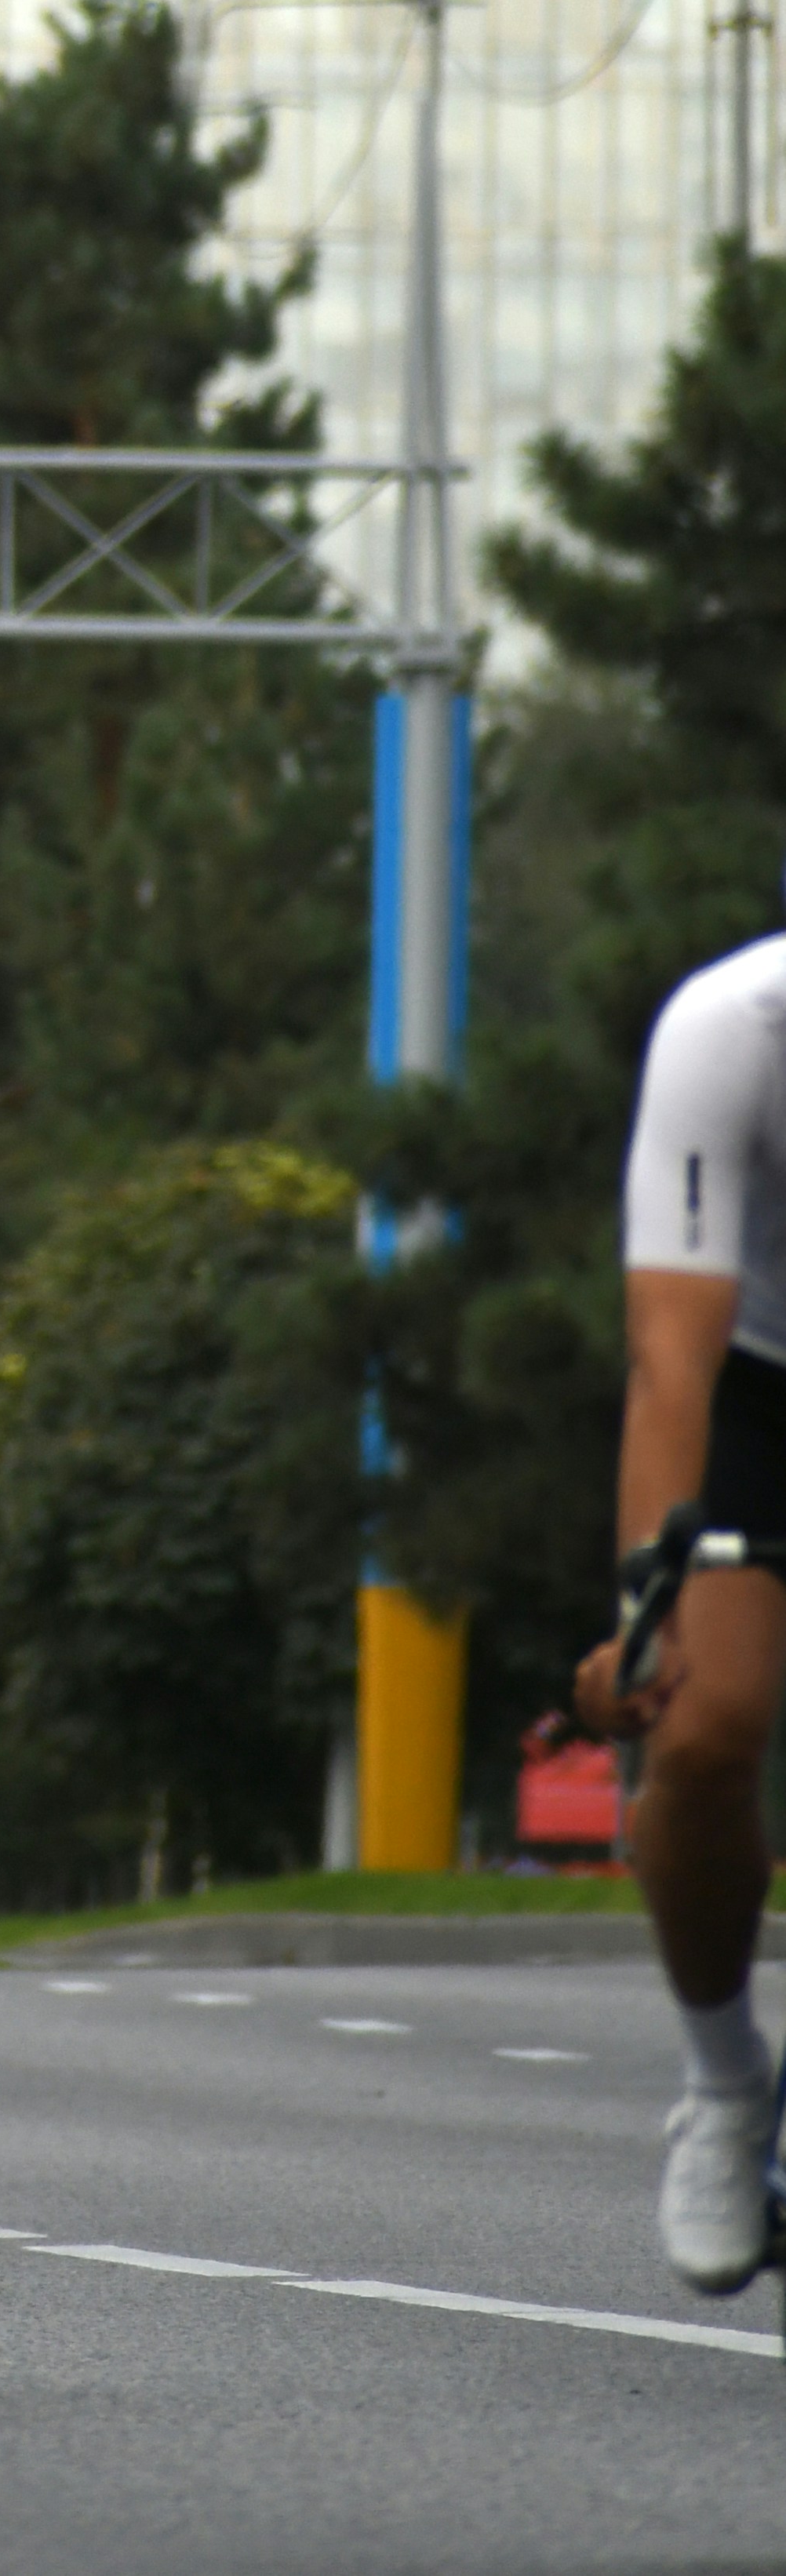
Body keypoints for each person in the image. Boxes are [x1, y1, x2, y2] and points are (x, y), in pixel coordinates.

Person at [577, 920, 786, 2290]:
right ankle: (724, 2078)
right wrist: (638, 1620)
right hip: (755, 1374)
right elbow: (669, 1365)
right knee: (705, 1733)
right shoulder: (729, 1026)